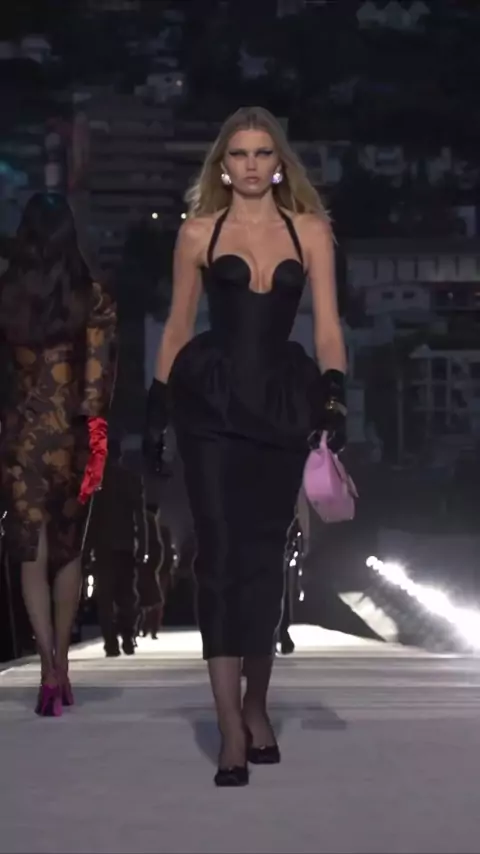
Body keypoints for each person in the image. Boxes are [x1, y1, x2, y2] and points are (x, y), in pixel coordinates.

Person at [144, 107, 347, 786]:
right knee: (220, 556)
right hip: (210, 403)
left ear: (279, 163)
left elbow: (327, 327)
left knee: (263, 559)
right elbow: (177, 327)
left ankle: (257, 704)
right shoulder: (197, 232)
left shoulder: (309, 230)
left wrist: (336, 396)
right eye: (240, 154)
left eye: (263, 153)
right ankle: (230, 725)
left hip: (282, 406)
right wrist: (156, 409)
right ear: (223, 166)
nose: (252, 164)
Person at [0, 192, 116, 716]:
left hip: (19, 437)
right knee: (69, 553)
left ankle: (45, 663)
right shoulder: (92, 297)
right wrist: (95, 441)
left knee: (31, 552)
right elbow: (97, 382)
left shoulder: (7, 295)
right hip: (73, 439)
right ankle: (63, 665)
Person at [86, 438, 147, 656]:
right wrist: (143, 545)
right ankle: (128, 637)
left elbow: (91, 517)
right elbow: (140, 516)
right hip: (126, 545)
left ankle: (110, 641)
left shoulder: (96, 481)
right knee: (127, 595)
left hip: (103, 546)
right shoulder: (130, 479)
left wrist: (86, 549)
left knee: (105, 596)